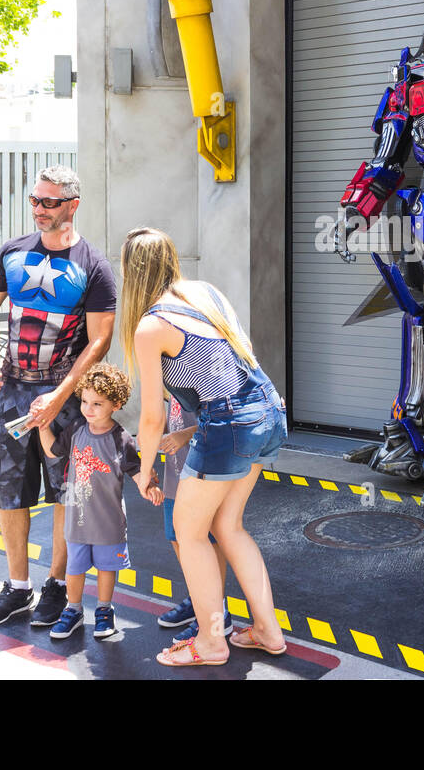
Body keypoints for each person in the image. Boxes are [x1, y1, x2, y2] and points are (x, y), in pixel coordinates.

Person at [121, 227, 288, 666]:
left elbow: (153, 416)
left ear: (130, 273)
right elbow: (236, 364)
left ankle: (213, 643)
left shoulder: (151, 326)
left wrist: (143, 470)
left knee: (190, 532)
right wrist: (192, 434)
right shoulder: (203, 293)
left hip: (229, 424)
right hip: (267, 409)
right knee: (228, 526)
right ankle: (269, 632)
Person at [0, 166, 118, 628]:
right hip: (12, 392)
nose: (39, 209)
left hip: (65, 397)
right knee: (10, 490)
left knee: (65, 493)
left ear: (73, 204)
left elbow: (99, 341)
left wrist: (60, 396)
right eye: (35, 200)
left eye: (49, 202)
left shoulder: (93, 265)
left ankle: (57, 585)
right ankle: (18, 587)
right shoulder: (12, 252)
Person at [39, 363, 146, 640]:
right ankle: (73, 610)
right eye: (85, 401)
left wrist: (150, 486)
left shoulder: (120, 438)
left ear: (116, 404)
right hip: (77, 520)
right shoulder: (76, 429)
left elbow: (135, 470)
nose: (88, 409)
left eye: (97, 403)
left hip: (108, 521)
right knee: (74, 568)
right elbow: (53, 451)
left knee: (106, 568)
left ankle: (103, 609)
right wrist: (41, 427)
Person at [156, 395, 233, 644]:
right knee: (177, 538)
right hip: (175, 470)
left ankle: (216, 611)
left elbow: (223, 421)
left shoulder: (197, 370)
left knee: (206, 543)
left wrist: (184, 434)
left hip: (202, 472)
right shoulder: (165, 372)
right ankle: (199, 598)